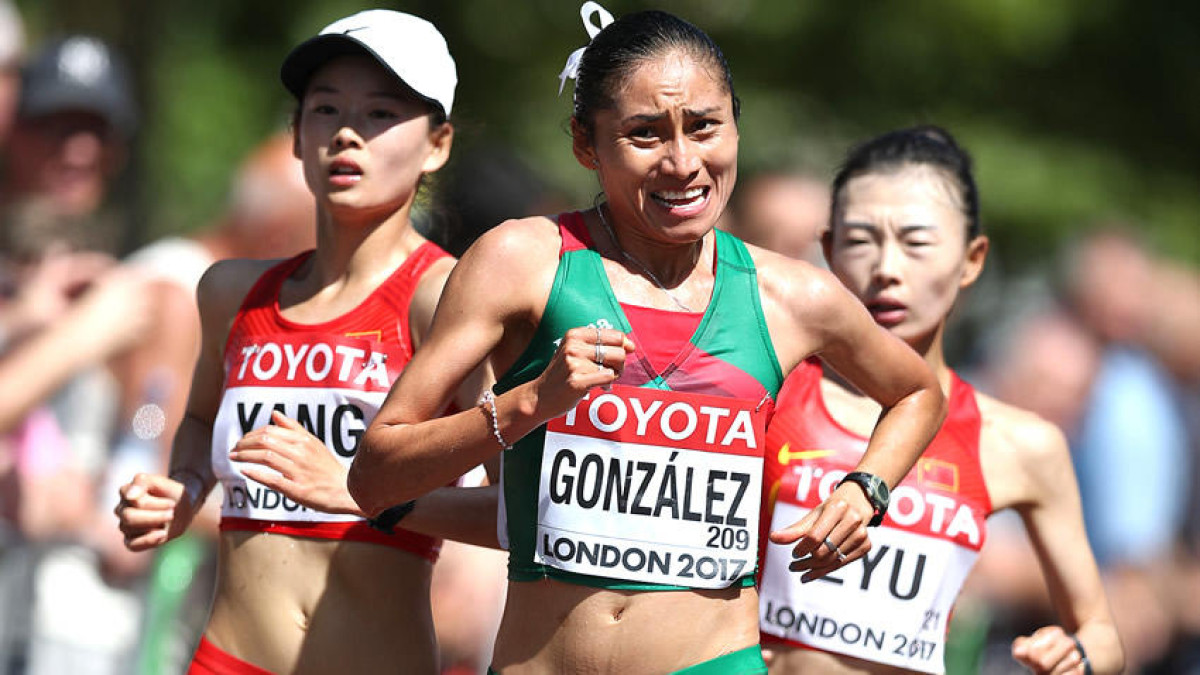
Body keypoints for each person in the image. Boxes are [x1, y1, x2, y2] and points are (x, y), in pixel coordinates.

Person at [349, 6, 945, 674]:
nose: (683, 162)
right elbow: (375, 478)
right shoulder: (521, 261)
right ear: (585, 144)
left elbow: (918, 391)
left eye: (705, 126)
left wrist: (867, 489)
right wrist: (528, 404)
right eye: (644, 133)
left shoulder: (792, 296)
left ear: (735, 127)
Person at [114, 10, 492, 673]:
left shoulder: (450, 298)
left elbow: (524, 510)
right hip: (225, 658)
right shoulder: (232, 292)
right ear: (295, 137)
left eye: (381, 113)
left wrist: (362, 492)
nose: (348, 133)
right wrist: (186, 486)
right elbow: (200, 418)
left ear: (438, 144)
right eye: (325, 109)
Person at [756, 126, 1124, 674]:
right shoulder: (767, 395)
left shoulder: (1022, 444)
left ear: (972, 259)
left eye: (917, 242)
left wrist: (1077, 657)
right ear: (828, 250)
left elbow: (1102, 635)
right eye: (859, 240)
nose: (886, 268)